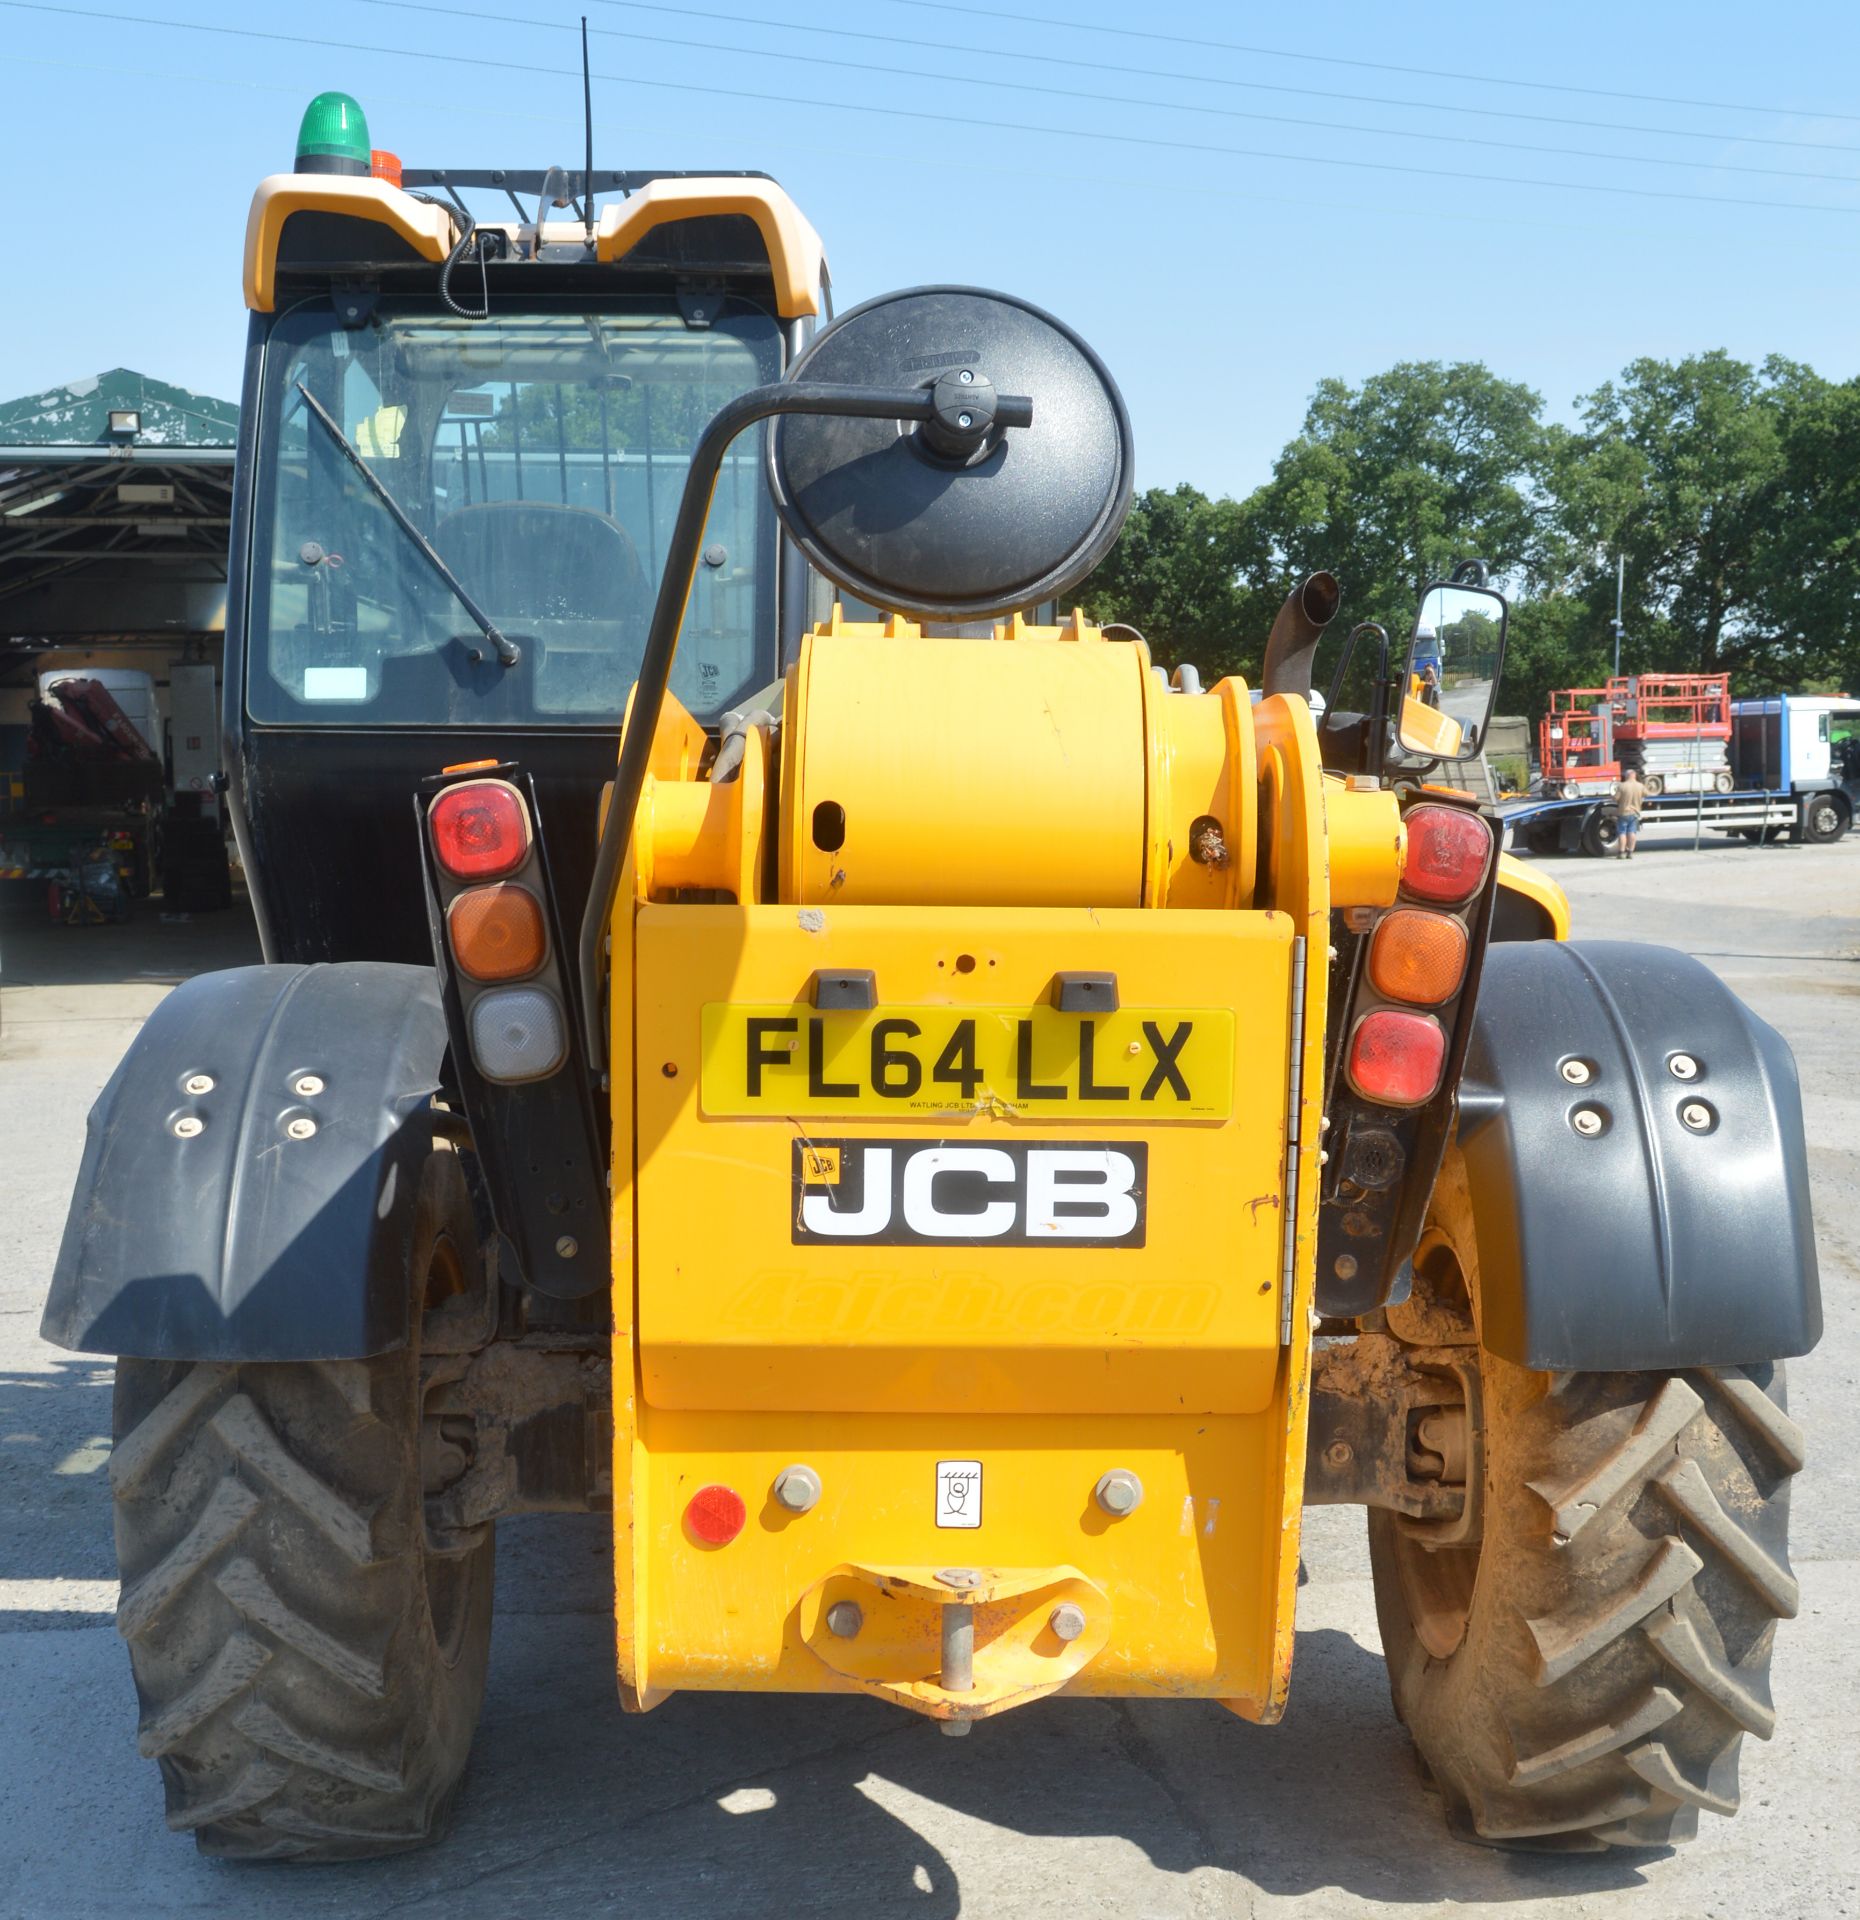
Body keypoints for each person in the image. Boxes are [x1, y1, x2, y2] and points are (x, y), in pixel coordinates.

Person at [1615, 768, 1647, 859]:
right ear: (1634, 776)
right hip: (1635, 813)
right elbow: (1647, 794)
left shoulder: (1622, 786)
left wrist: (1611, 797)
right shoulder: (1640, 786)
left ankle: (1621, 853)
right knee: (1632, 832)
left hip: (1624, 812)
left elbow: (1616, 798)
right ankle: (1630, 852)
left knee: (1622, 832)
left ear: (1627, 776)